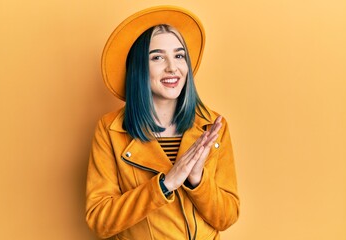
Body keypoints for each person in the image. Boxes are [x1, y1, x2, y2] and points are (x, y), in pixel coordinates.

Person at [86, 6, 239, 240]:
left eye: (179, 56)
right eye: (157, 57)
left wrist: (197, 180)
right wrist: (165, 184)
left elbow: (226, 217)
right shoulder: (111, 130)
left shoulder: (212, 126)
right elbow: (100, 220)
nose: (172, 67)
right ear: (139, 68)